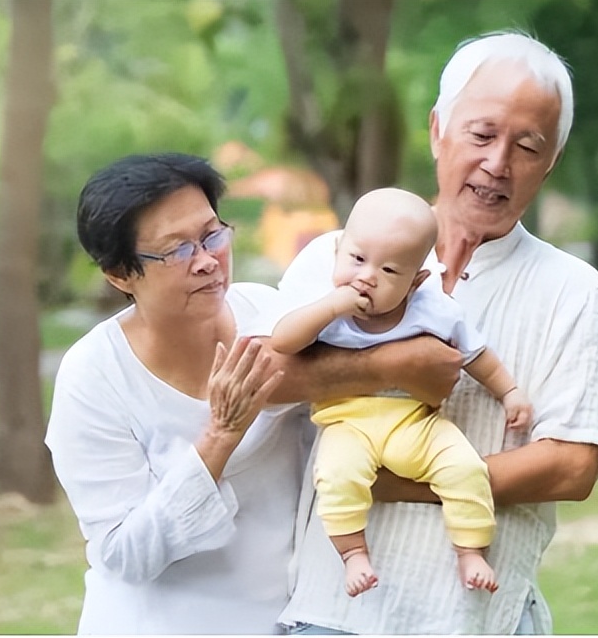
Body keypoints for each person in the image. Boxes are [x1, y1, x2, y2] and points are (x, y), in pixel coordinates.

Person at [277, 30, 598, 635]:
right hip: (330, 615)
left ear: (552, 161)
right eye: (481, 135)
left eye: (528, 146)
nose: (498, 164)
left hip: (476, 619)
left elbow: (573, 465)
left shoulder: (573, 289)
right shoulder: (335, 257)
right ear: (438, 129)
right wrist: (388, 367)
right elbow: (263, 377)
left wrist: (405, 482)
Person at [44, 153, 462, 634]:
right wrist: (220, 436)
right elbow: (124, 554)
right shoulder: (93, 376)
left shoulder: (271, 316)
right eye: (177, 250)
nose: (206, 262)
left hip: (283, 621)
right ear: (120, 274)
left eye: (212, 235)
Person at [271, 187, 533, 598]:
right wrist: (332, 307)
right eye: (357, 259)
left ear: (417, 281)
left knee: (465, 468)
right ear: (339, 251)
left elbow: (476, 354)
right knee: (337, 475)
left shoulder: (432, 308)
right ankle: (353, 552)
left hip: (416, 423)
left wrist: (510, 392)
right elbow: (283, 341)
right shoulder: (326, 306)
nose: (366, 276)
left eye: (390, 271)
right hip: (346, 422)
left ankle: (470, 550)